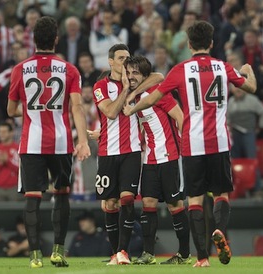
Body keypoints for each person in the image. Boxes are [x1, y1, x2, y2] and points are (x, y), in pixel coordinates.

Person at [123, 20, 257, 267]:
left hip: (192, 143)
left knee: (194, 200)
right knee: (221, 194)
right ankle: (220, 231)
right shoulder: (222, 66)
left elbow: (153, 97)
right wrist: (249, 70)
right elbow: (251, 87)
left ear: (189, 44)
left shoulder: (180, 70)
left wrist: (132, 108)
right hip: (219, 141)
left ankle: (202, 258)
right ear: (212, 43)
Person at [7, 16, 91, 268]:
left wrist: (33, 110)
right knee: (62, 194)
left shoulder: (19, 69)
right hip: (61, 142)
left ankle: (34, 256)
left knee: (32, 198)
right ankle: (58, 250)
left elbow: (11, 110)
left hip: (31, 143)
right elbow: (77, 106)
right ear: (56, 39)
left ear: (33, 40)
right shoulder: (70, 69)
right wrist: (84, 140)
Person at [93, 43, 163, 265]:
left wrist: (133, 89)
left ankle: (123, 252)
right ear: (111, 62)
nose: (126, 62)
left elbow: (159, 76)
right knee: (110, 204)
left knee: (128, 199)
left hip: (132, 151)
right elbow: (112, 112)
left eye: (128, 58)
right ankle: (115, 253)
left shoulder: (136, 83)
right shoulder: (100, 86)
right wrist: (125, 90)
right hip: (107, 152)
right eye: (121, 58)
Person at [123, 56, 191, 265]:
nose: (130, 76)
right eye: (128, 72)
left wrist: (185, 149)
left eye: (135, 73)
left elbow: (180, 117)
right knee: (148, 203)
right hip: (150, 159)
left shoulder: (158, 93)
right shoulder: (134, 98)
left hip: (170, 155)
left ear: (144, 75)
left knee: (174, 204)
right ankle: (148, 253)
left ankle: (185, 254)